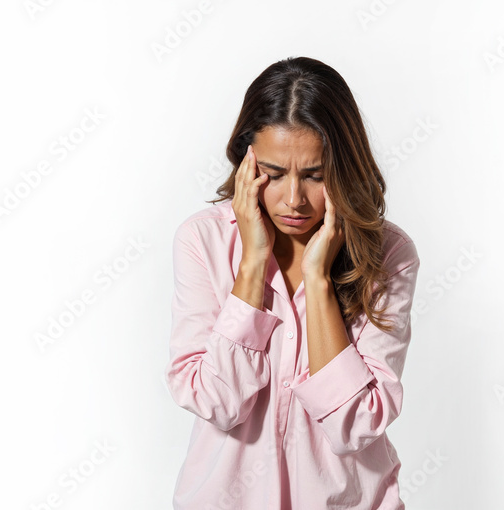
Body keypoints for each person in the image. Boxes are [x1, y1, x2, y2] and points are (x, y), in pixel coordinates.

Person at [165, 56, 421, 510]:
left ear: (344, 168)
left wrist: (319, 281)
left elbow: (355, 423)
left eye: (316, 176)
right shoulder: (202, 241)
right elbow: (216, 402)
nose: (294, 199)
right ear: (246, 162)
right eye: (274, 174)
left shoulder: (389, 256)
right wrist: (252, 264)